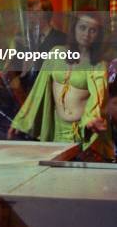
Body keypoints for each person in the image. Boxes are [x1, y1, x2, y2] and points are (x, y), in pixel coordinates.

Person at [8, 12, 114, 160]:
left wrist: (92, 118)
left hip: (82, 133)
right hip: (57, 130)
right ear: (74, 28)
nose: (86, 34)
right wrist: (20, 120)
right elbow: (38, 90)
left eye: (93, 30)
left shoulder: (97, 64)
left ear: (98, 35)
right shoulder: (56, 53)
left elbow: (98, 97)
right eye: (82, 27)